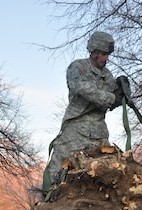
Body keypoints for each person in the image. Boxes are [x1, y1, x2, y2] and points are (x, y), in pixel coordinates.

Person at [45, 31, 128, 186]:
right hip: (75, 130)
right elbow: (83, 89)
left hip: (99, 133)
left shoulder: (107, 75)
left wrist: (121, 93)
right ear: (94, 51)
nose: (106, 58)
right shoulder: (78, 67)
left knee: (109, 172)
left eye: (108, 54)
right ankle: (46, 204)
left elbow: (110, 101)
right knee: (57, 169)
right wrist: (112, 98)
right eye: (103, 54)